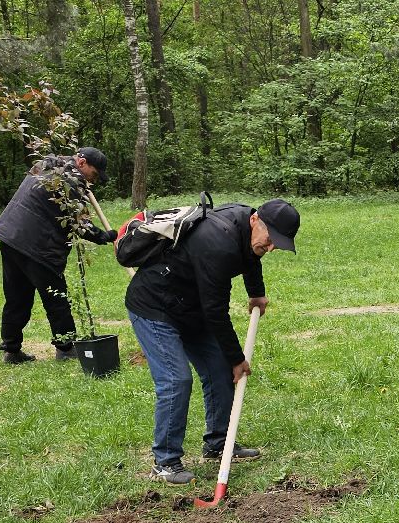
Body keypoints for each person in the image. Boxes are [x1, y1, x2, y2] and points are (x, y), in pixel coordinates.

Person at [124, 198, 300, 484]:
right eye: (270, 240)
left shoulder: (244, 222)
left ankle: (219, 444)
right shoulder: (217, 242)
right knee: (176, 379)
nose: (269, 249)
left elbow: (251, 255)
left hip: (189, 305)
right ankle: (165, 462)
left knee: (218, 370)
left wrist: (256, 292)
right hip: (155, 307)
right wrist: (237, 358)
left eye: (275, 246)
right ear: (256, 220)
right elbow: (215, 311)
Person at [0, 147, 117, 364]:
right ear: (82, 162)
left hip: (10, 235)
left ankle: (11, 349)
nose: (93, 180)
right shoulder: (70, 181)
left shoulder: (46, 165)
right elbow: (80, 224)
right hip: (38, 245)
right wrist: (104, 236)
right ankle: (66, 348)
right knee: (56, 297)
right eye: (94, 174)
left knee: (17, 297)